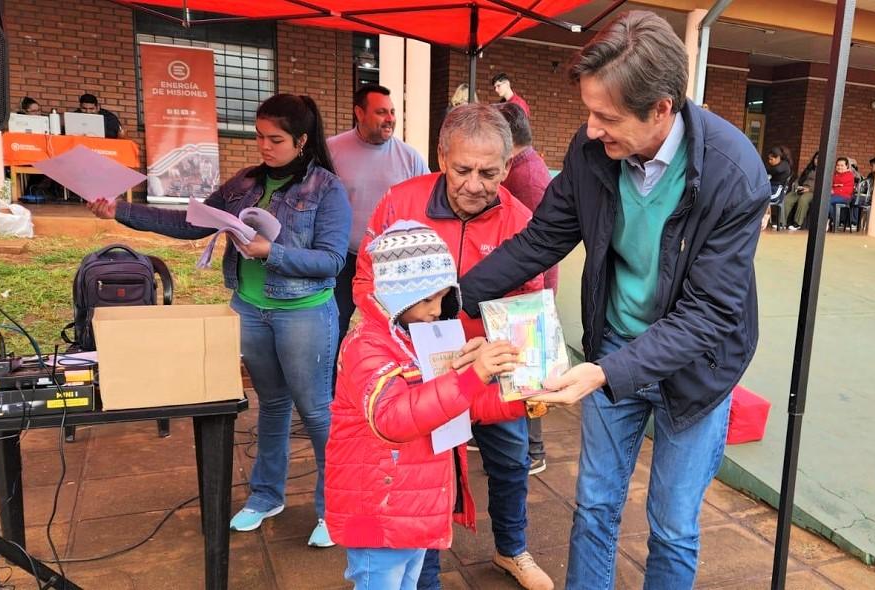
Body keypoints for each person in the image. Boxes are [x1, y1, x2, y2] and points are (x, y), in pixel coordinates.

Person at [456, 11, 770, 588]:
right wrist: (457, 297)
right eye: (588, 112)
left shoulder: (733, 173)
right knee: (596, 505)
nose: (592, 129)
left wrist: (604, 373)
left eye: (607, 116)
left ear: (662, 108)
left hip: (698, 369)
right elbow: (543, 238)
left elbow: (710, 312)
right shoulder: (592, 149)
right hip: (616, 340)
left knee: (673, 525)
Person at [86, 94, 352, 547]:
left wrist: (274, 252)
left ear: (302, 141)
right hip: (249, 309)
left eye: (276, 139)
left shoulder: (327, 188)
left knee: (315, 413)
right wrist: (122, 212)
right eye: (259, 137)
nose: (264, 147)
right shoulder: (245, 182)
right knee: (270, 406)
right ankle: (267, 496)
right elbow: (192, 224)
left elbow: (330, 261)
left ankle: (337, 509)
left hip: (303, 313)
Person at [352, 103, 552, 590]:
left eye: (489, 172)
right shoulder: (402, 202)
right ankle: (424, 574)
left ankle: (512, 549)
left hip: (488, 370)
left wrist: (513, 362)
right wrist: (399, 338)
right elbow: (366, 282)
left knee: (509, 463)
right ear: (442, 156)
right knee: (424, 476)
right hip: (418, 373)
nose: (474, 184)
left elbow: (533, 303)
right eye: (462, 169)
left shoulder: (522, 219)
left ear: (508, 166)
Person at [326, 220, 527, 590]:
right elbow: (393, 419)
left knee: (406, 583)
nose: (438, 310)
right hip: (377, 510)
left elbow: (459, 406)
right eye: (427, 299)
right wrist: (470, 376)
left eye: (443, 297)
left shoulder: (422, 337)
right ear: (396, 295)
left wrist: (522, 396)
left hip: (413, 507)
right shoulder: (365, 346)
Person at [328, 84, 429, 356]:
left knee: (395, 331)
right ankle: (333, 392)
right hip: (343, 260)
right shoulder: (332, 152)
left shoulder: (410, 158)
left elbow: (428, 206)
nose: (390, 118)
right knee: (334, 327)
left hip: (392, 264)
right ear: (359, 113)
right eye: (381, 112)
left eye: (393, 112)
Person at [495, 101, 555, 475]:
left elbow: (538, 247)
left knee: (526, 372)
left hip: (529, 292)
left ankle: (533, 450)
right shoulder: (517, 169)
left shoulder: (528, 177)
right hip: (517, 288)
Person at [783, 151, 818, 230]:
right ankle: (782, 222)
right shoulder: (809, 169)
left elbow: (823, 185)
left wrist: (809, 189)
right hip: (801, 189)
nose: (817, 160)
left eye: (819, 159)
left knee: (803, 199)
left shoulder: (824, 171)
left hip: (812, 192)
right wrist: (797, 186)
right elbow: (799, 179)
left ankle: (797, 223)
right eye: (816, 158)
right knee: (788, 198)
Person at [828, 156, 856, 230]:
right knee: (826, 201)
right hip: (834, 196)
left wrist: (835, 189)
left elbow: (847, 190)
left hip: (845, 197)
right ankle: (834, 221)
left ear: (847, 166)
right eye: (838, 165)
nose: (839, 167)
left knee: (827, 200)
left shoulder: (849, 175)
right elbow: (831, 186)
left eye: (842, 165)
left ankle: (832, 221)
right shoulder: (834, 175)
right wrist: (837, 187)